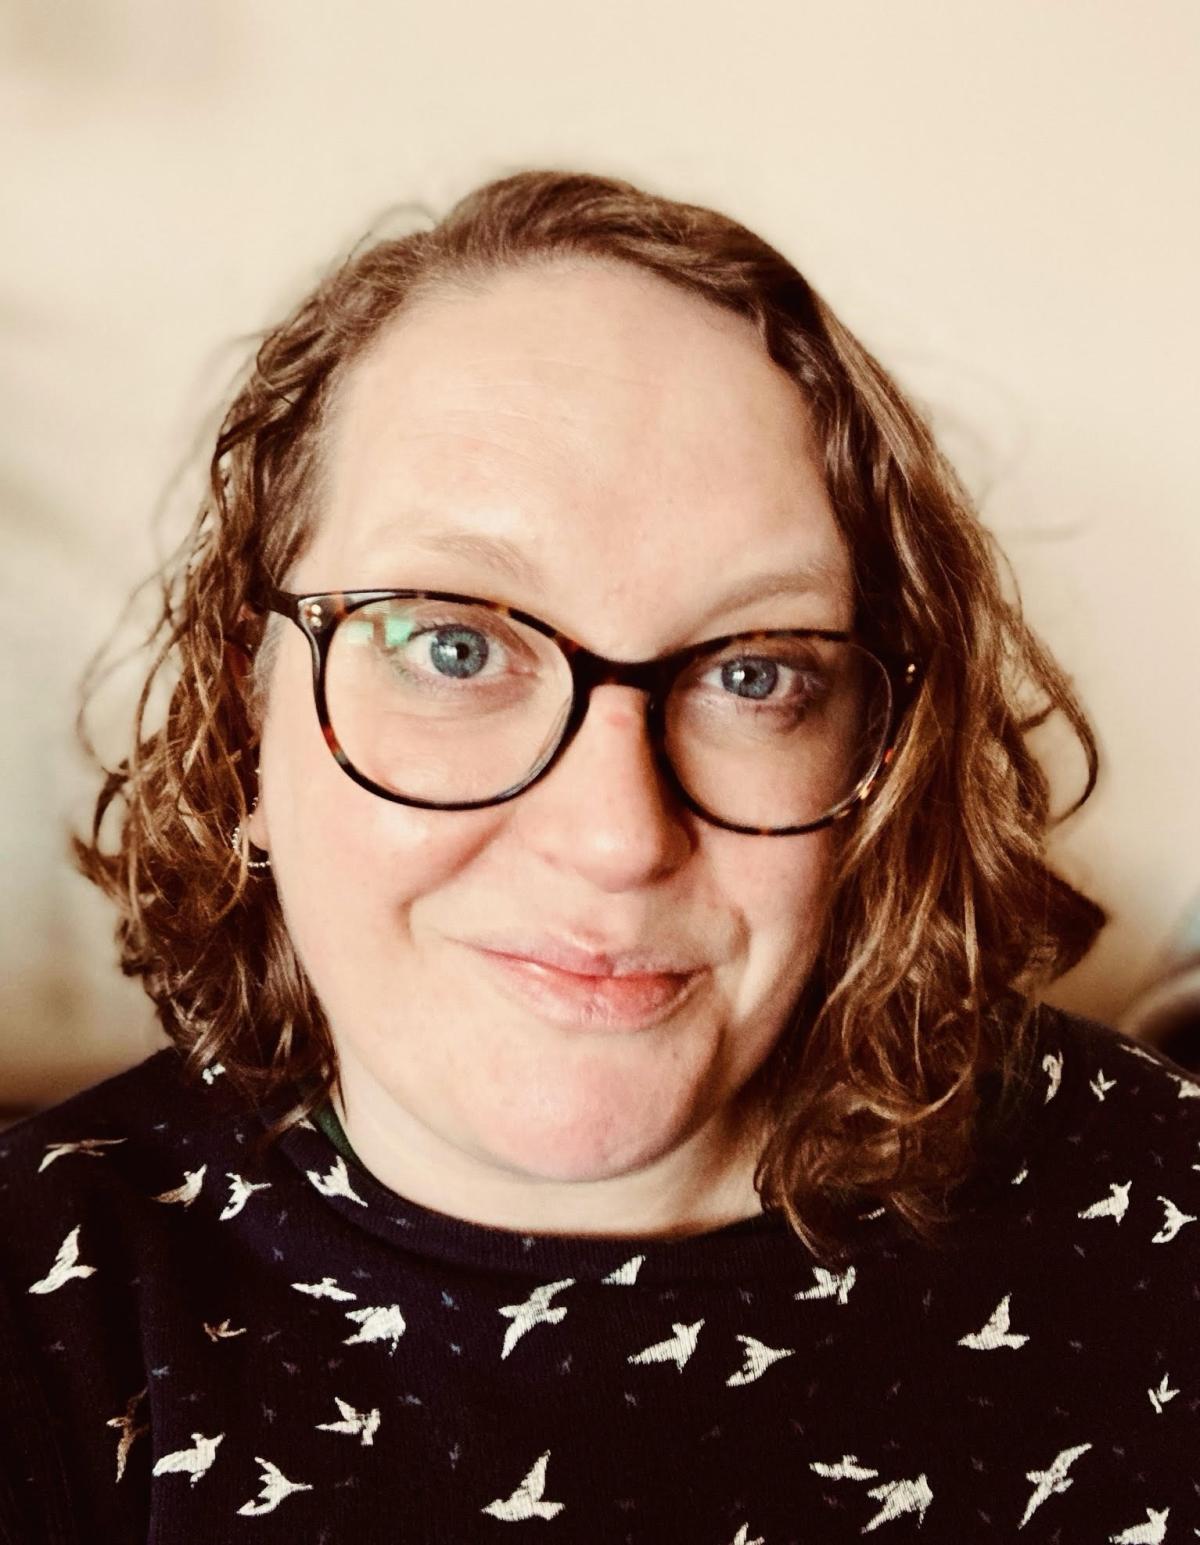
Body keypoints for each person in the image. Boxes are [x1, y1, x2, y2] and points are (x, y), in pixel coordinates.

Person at [1, 169, 1196, 1545]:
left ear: (876, 753)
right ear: (243, 719)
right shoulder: (47, 1314)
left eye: (755, 673)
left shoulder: (1162, 1227)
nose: (619, 837)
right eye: (455, 646)